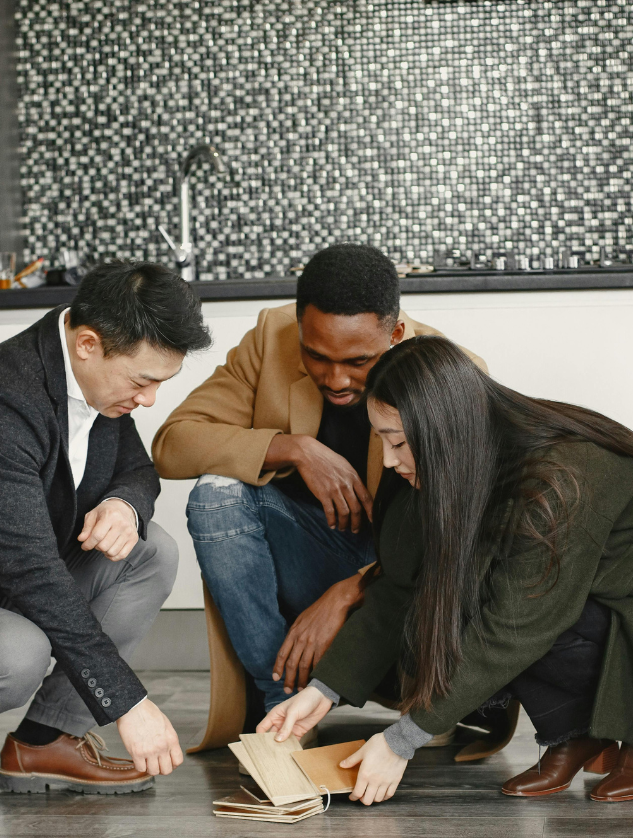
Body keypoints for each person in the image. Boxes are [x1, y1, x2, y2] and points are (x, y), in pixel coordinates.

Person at [259, 336, 633, 805]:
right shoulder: (441, 463)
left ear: (444, 432)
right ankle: (574, 734)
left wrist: (402, 740)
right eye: (382, 440)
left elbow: (514, 629)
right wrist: (323, 691)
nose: (388, 460)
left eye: (399, 443)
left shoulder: (557, 479)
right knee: (457, 592)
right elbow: (400, 588)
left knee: (498, 606)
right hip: (590, 600)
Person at [0, 261, 211, 816]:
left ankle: (46, 741)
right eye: (143, 382)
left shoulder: (93, 378)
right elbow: (30, 573)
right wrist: (129, 702)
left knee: (150, 551)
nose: (148, 401)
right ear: (88, 344)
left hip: (7, 582)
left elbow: (138, 469)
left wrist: (125, 504)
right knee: (14, 654)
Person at [153, 244, 486, 724]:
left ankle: (300, 705)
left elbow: (456, 539)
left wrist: (353, 588)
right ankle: (280, 703)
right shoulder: (272, 336)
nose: (336, 379)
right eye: (316, 355)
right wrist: (294, 449)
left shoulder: (451, 374)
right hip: (307, 558)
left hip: (401, 583)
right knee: (214, 493)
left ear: (394, 334)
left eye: (358, 361)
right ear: (300, 327)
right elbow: (172, 443)